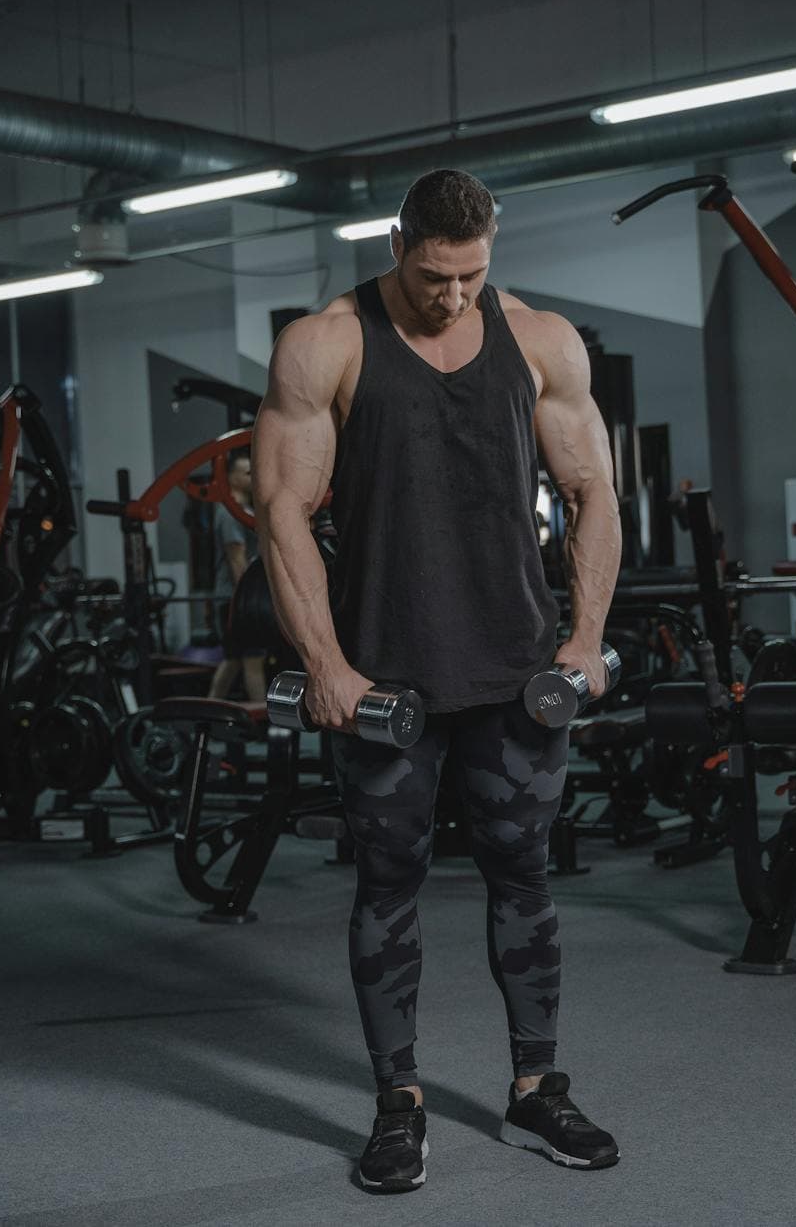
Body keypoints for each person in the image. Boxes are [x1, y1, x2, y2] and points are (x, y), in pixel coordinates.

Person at [254, 168, 621, 1193]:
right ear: (393, 244)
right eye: (431, 275)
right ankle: (396, 1100)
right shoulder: (324, 343)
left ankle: (536, 1084)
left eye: (469, 276)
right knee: (386, 886)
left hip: (515, 669)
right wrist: (324, 663)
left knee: (526, 878)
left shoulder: (541, 339)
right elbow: (280, 507)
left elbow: (593, 488)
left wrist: (586, 635)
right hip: (384, 673)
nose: (451, 296)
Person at [207, 449, 267, 703]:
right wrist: (247, 602)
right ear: (231, 478)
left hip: (238, 598)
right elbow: (236, 558)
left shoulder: (244, 510)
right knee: (252, 659)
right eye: (248, 473)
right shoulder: (229, 512)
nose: (255, 477)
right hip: (236, 600)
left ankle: (208, 712)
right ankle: (265, 721)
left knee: (233, 661)